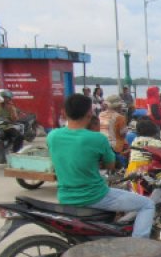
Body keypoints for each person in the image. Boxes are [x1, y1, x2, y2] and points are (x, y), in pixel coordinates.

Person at [47, 93, 154, 238]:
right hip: (94, 196)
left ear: (65, 113)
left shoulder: (52, 136)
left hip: (65, 196)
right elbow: (110, 165)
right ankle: (139, 247)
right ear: (90, 113)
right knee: (147, 204)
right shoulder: (97, 138)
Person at [99, 94, 129, 165]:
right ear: (119, 106)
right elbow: (123, 134)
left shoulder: (100, 114)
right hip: (115, 146)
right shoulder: (120, 117)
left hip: (102, 143)